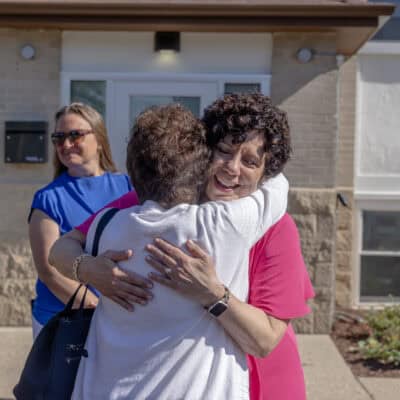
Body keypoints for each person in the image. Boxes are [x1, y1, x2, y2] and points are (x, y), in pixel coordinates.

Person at [50, 94, 314, 399]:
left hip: (261, 384)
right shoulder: (160, 203)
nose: (232, 168)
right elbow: (61, 249)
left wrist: (212, 294)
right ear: (203, 153)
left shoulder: (276, 229)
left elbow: (265, 340)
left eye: (250, 162)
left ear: (265, 173)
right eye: (224, 151)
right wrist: (89, 269)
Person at [28, 102, 132, 338]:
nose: (65, 144)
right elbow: (48, 270)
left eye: (75, 135)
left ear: (99, 138)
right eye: (59, 137)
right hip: (64, 319)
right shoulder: (47, 199)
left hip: (119, 317)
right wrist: (96, 309)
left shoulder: (128, 186)